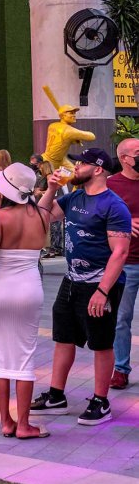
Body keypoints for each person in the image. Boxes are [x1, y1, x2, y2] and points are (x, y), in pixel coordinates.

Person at [32, 148, 131, 425]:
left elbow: (120, 253)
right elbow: (43, 217)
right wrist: (51, 188)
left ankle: (101, 401)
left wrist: (102, 291)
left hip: (100, 284)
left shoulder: (114, 206)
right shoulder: (74, 197)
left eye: (82, 164)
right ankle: (56, 395)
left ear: (98, 169)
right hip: (71, 280)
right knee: (63, 337)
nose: (75, 167)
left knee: (101, 342)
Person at [0, 163, 49, 439]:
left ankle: (6, 421)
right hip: (29, 289)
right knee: (25, 357)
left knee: (0, 356)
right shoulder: (42, 216)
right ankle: (25, 425)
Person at [108, 138, 139, 390]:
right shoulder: (110, 186)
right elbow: (97, 219)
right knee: (122, 318)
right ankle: (120, 368)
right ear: (124, 158)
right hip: (125, 263)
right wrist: (123, 223)